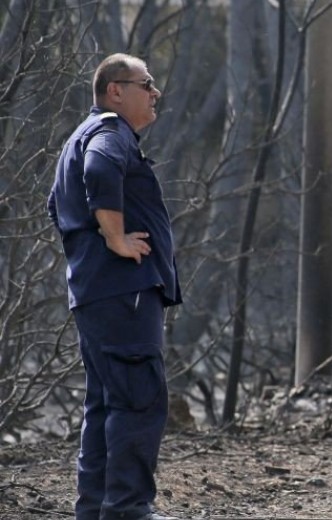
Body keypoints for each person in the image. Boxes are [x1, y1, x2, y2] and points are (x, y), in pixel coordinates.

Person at [48, 53, 182, 520]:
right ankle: (127, 510)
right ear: (115, 90)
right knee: (139, 398)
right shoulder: (109, 133)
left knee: (106, 404)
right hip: (124, 294)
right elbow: (101, 171)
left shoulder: (79, 138)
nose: (155, 92)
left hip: (98, 295)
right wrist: (115, 237)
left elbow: (57, 205)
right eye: (147, 83)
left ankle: (96, 510)